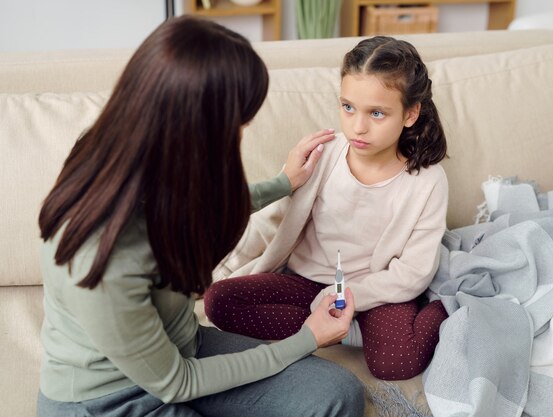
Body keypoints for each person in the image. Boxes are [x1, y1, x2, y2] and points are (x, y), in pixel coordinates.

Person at [36, 16, 364, 417]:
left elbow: (200, 207)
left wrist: (284, 182)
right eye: (238, 124)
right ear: (195, 128)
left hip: (182, 348)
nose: (242, 134)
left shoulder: (157, 161)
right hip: (110, 400)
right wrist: (306, 337)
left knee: (335, 392)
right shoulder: (100, 259)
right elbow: (177, 383)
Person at [205, 35, 450, 381]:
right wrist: (220, 266)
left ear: (410, 114)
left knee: (396, 364)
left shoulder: (428, 181)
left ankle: (442, 309)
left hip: (376, 291)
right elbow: (271, 220)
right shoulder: (324, 154)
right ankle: (341, 329)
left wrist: (347, 296)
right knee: (219, 301)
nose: (358, 126)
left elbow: (413, 272)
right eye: (348, 107)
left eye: (377, 113)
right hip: (308, 284)